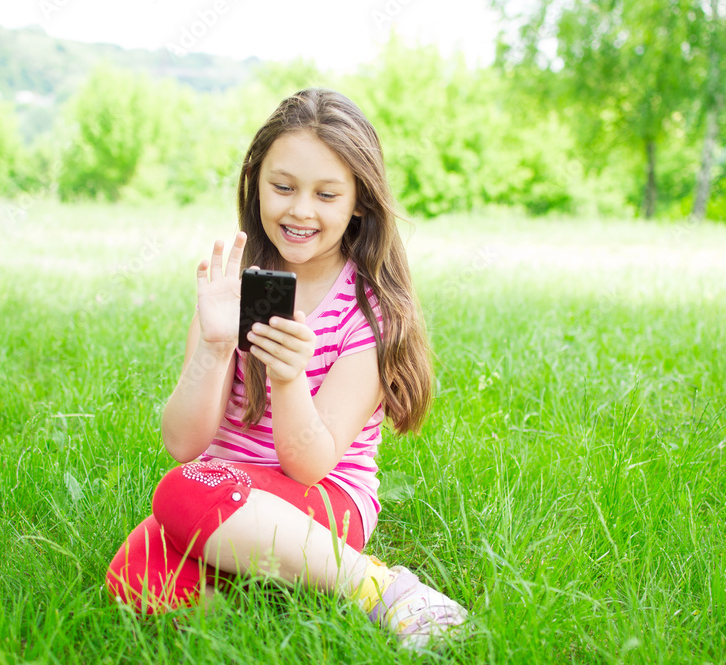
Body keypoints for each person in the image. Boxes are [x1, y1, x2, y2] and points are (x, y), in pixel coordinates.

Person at [106, 88, 467, 650]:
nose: (301, 210)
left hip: (325, 500)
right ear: (255, 183)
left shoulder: (369, 312)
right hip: (220, 486)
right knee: (133, 575)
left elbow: (311, 466)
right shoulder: (233, 289)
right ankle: (277, 588)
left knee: (181, 495)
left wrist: (287, 377)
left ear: (359, 203)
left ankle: (379, 587)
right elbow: (183, 441)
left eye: (327, 194)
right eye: (283, 187)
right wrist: (215, 346)